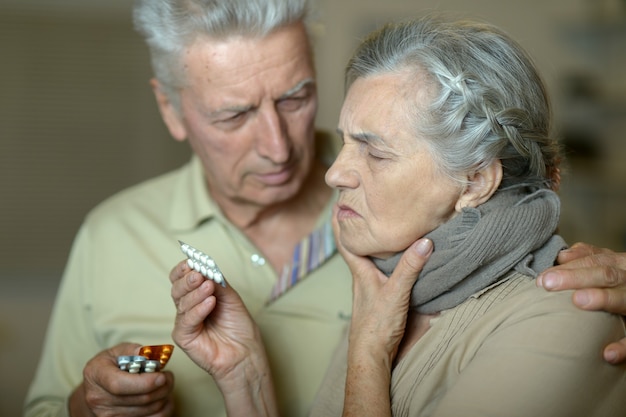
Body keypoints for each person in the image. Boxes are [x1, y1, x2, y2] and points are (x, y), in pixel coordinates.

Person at [24, 0, 626, 415]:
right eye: (234, 115)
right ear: (172, 111)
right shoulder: (112, 234)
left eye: (295, 98)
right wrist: (241, 377)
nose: (279, 145)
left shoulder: (380, 247)